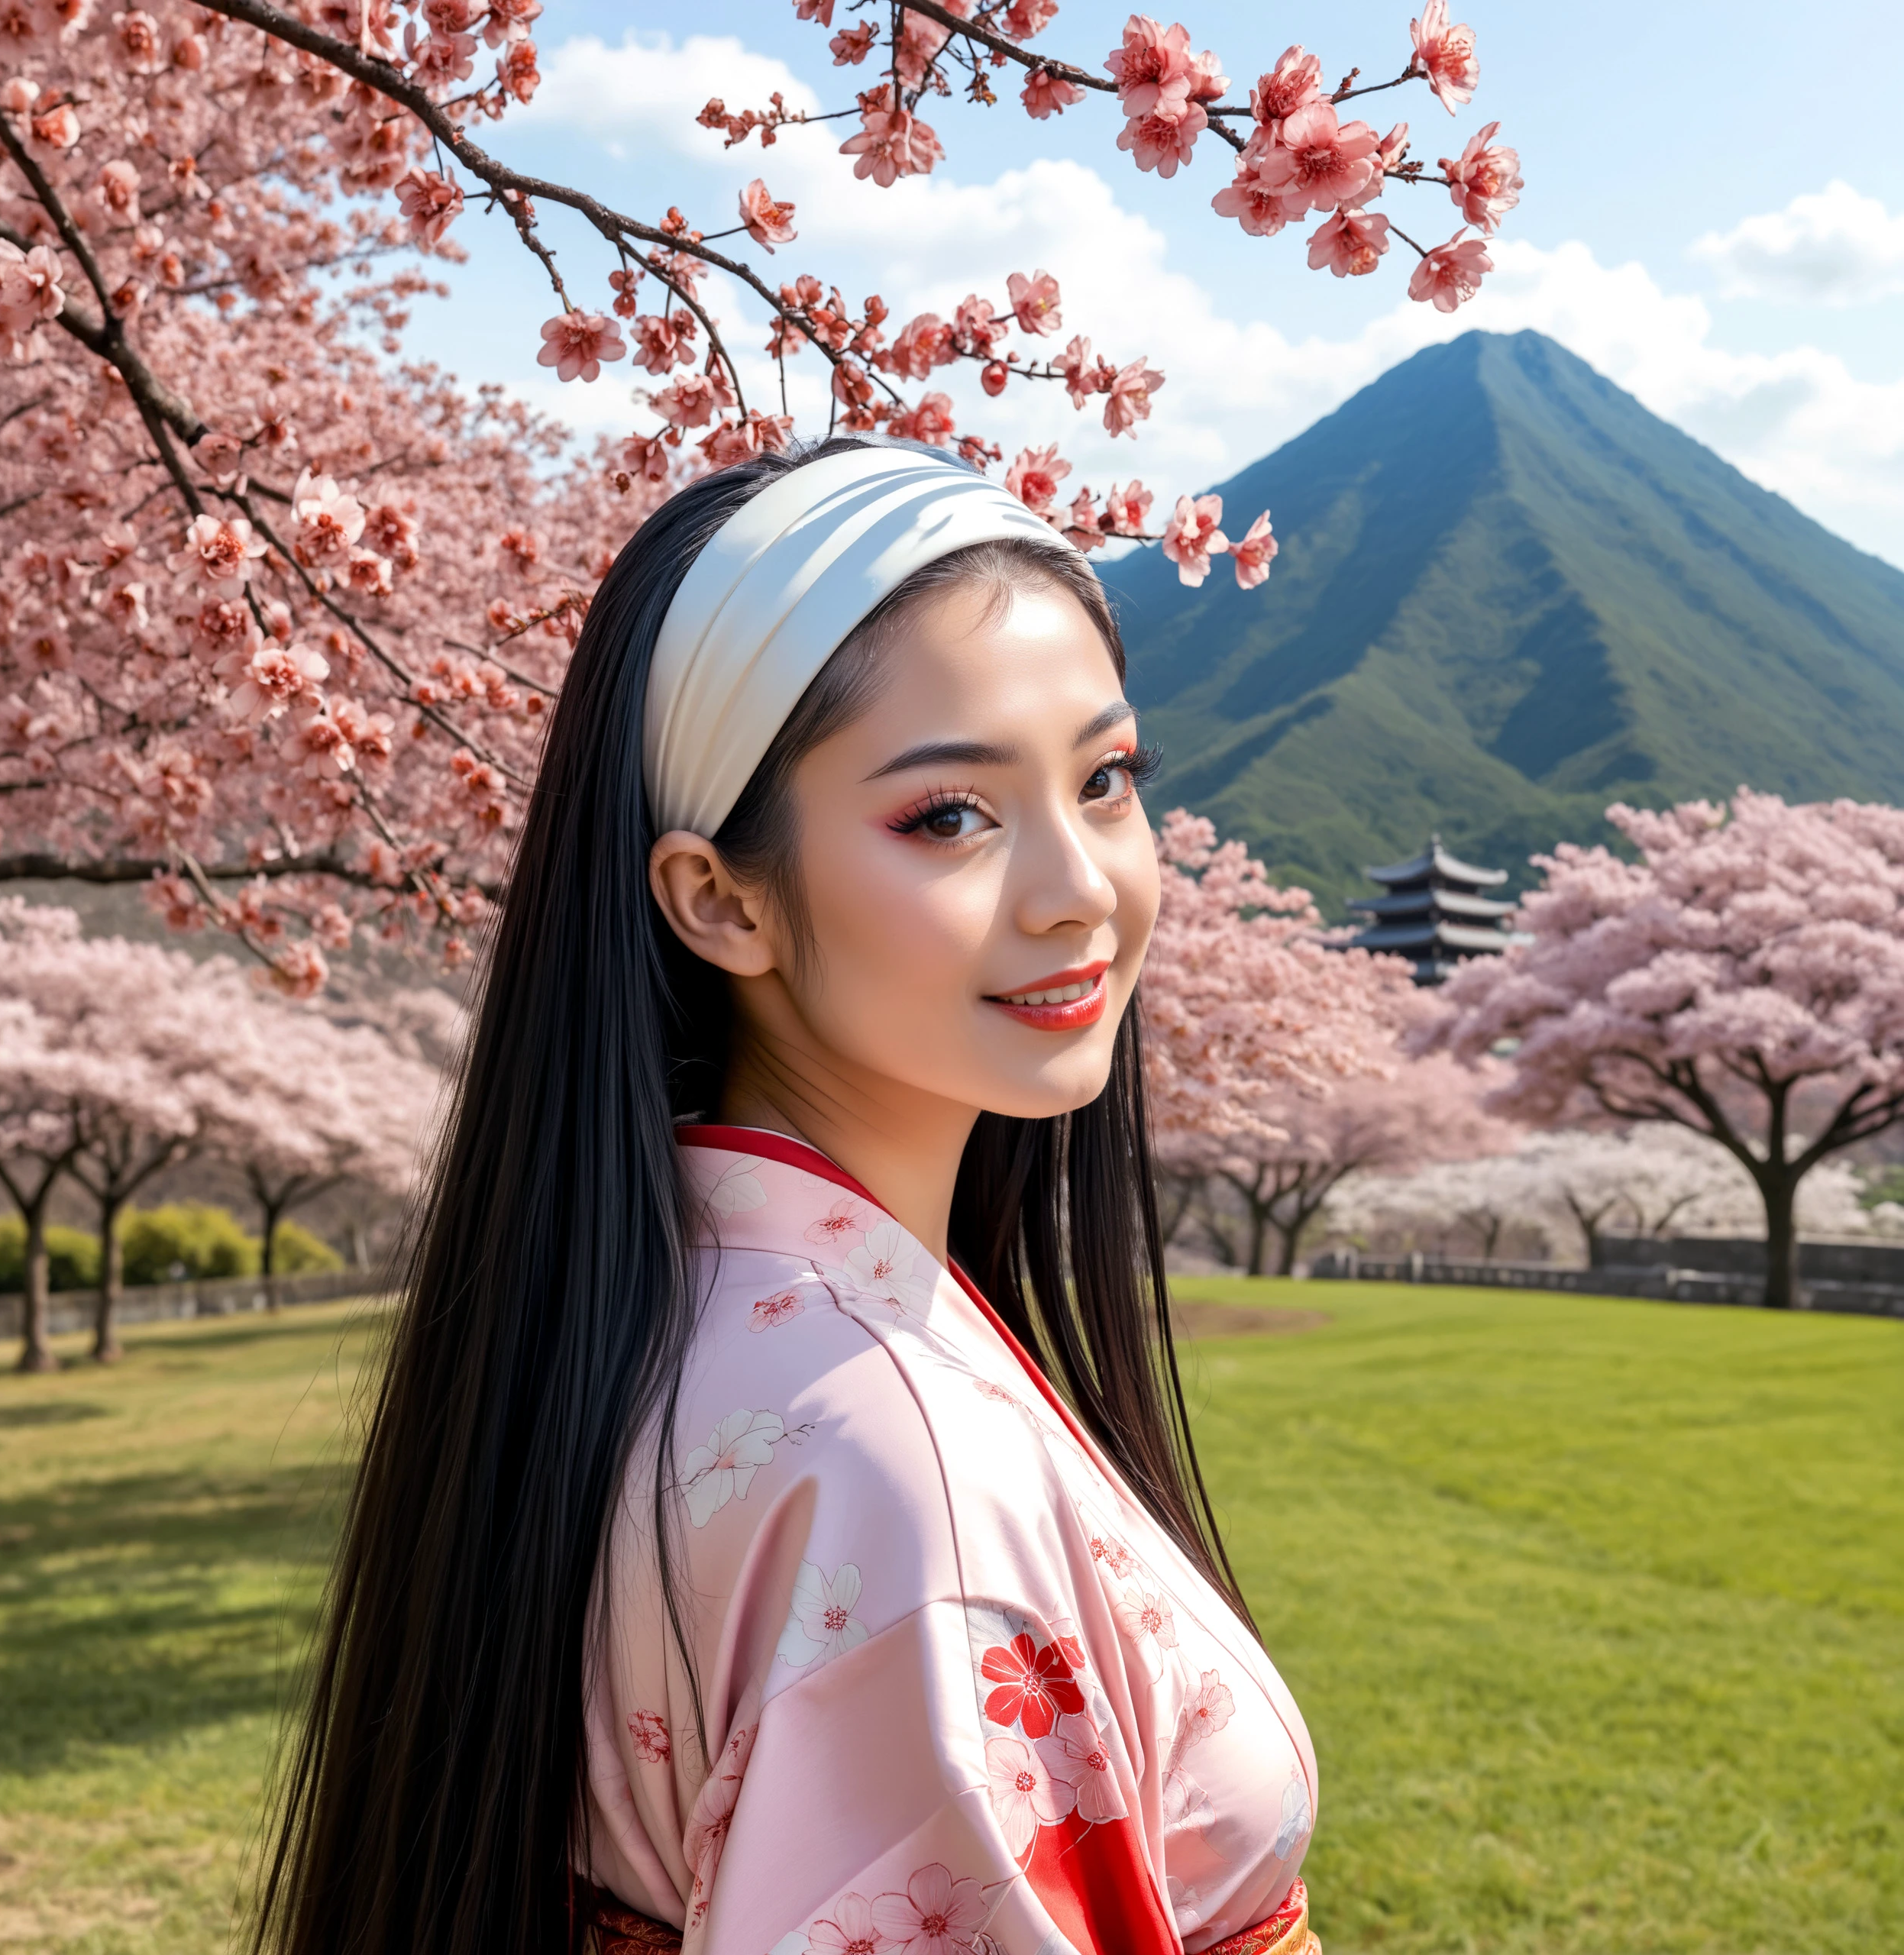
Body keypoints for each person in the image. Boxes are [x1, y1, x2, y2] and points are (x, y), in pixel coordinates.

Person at [257, 441, 1321, 1955]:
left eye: (1103, 779)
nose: (1077, 884)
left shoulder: (658, 1306)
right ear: (721, 898)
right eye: (947, 813)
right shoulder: (892, 1463)